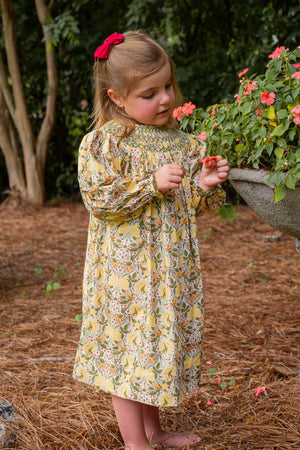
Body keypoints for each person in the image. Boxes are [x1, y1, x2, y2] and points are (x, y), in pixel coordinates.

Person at [73, 30, 229, 449]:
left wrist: (204, 183)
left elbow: (186, 204)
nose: (164, 99)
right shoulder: (107, 144)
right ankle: (134, 444)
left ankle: (154, 432)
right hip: (127, 277)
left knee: (154, 354)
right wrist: (150, 183)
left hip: (166, 273)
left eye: (167, 87)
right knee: (129, 358)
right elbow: (101, 200)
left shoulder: (181, 143)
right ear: (117, 98)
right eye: (149, 93)